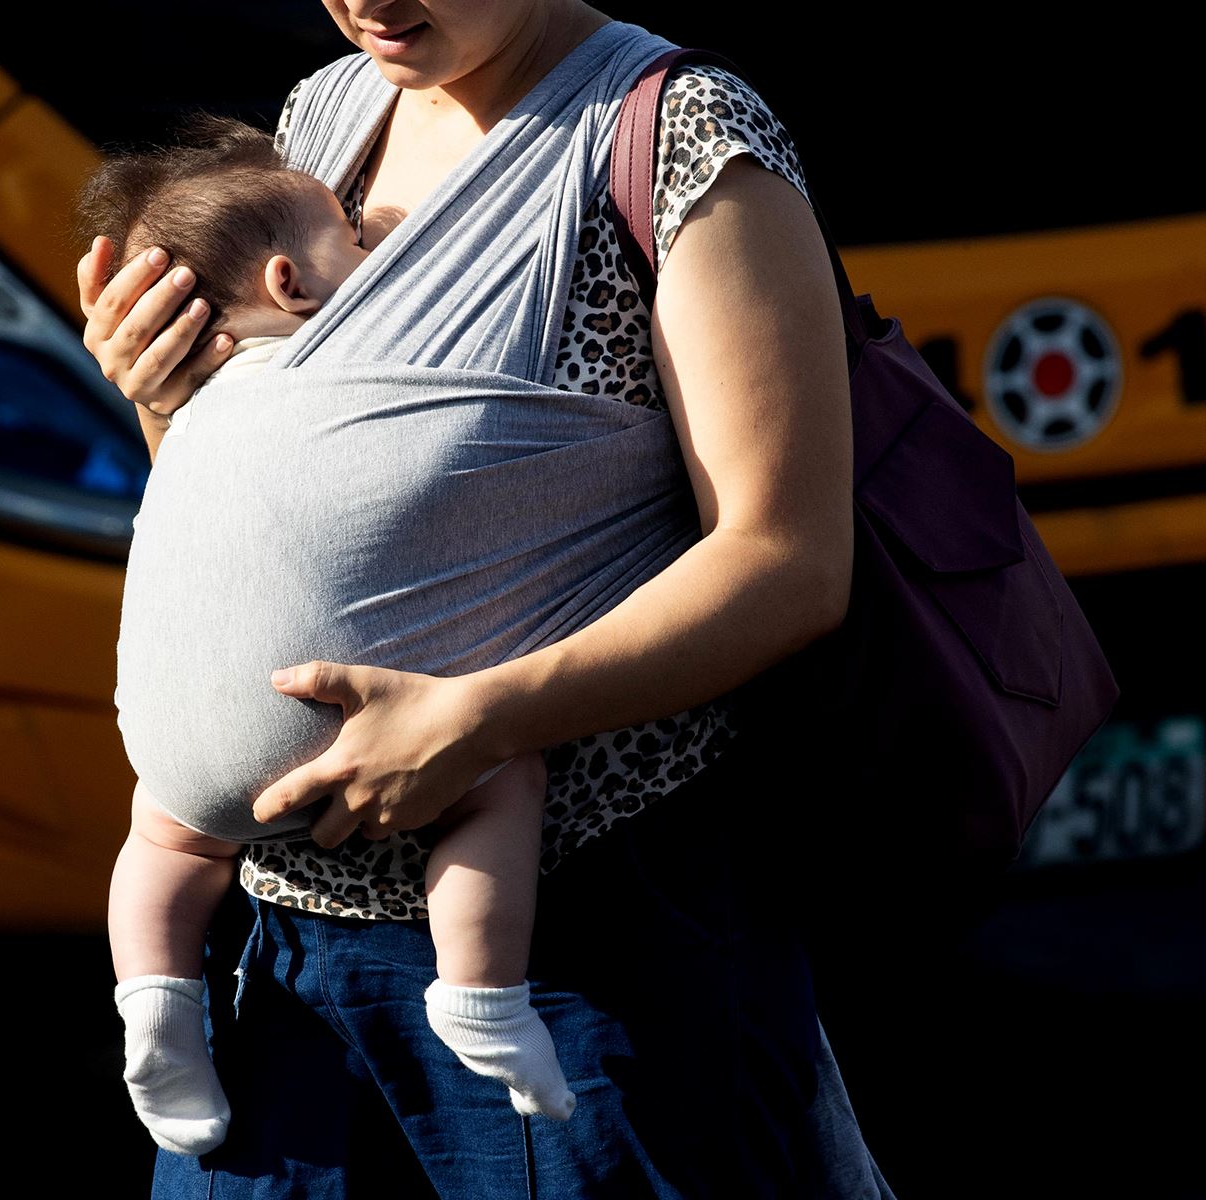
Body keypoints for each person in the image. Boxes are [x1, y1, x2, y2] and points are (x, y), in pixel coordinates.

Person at [75, 4, 898, 1196]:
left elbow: (788, 560)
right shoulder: (327, 118)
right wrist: (168, 400)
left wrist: (482, 723)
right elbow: (282, 509)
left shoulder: (671, 138)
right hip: (284, 955)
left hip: (579, 950)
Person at [75, 115, 575, 1156]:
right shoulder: (354, 371)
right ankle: (482, 990)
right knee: (502, 780)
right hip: (345, 715)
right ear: (291, 287)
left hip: (179, 745)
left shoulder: (199, 400)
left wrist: (157, 408)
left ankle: (155, 1001)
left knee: (163, 835)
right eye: (355, 242)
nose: (377, 248)